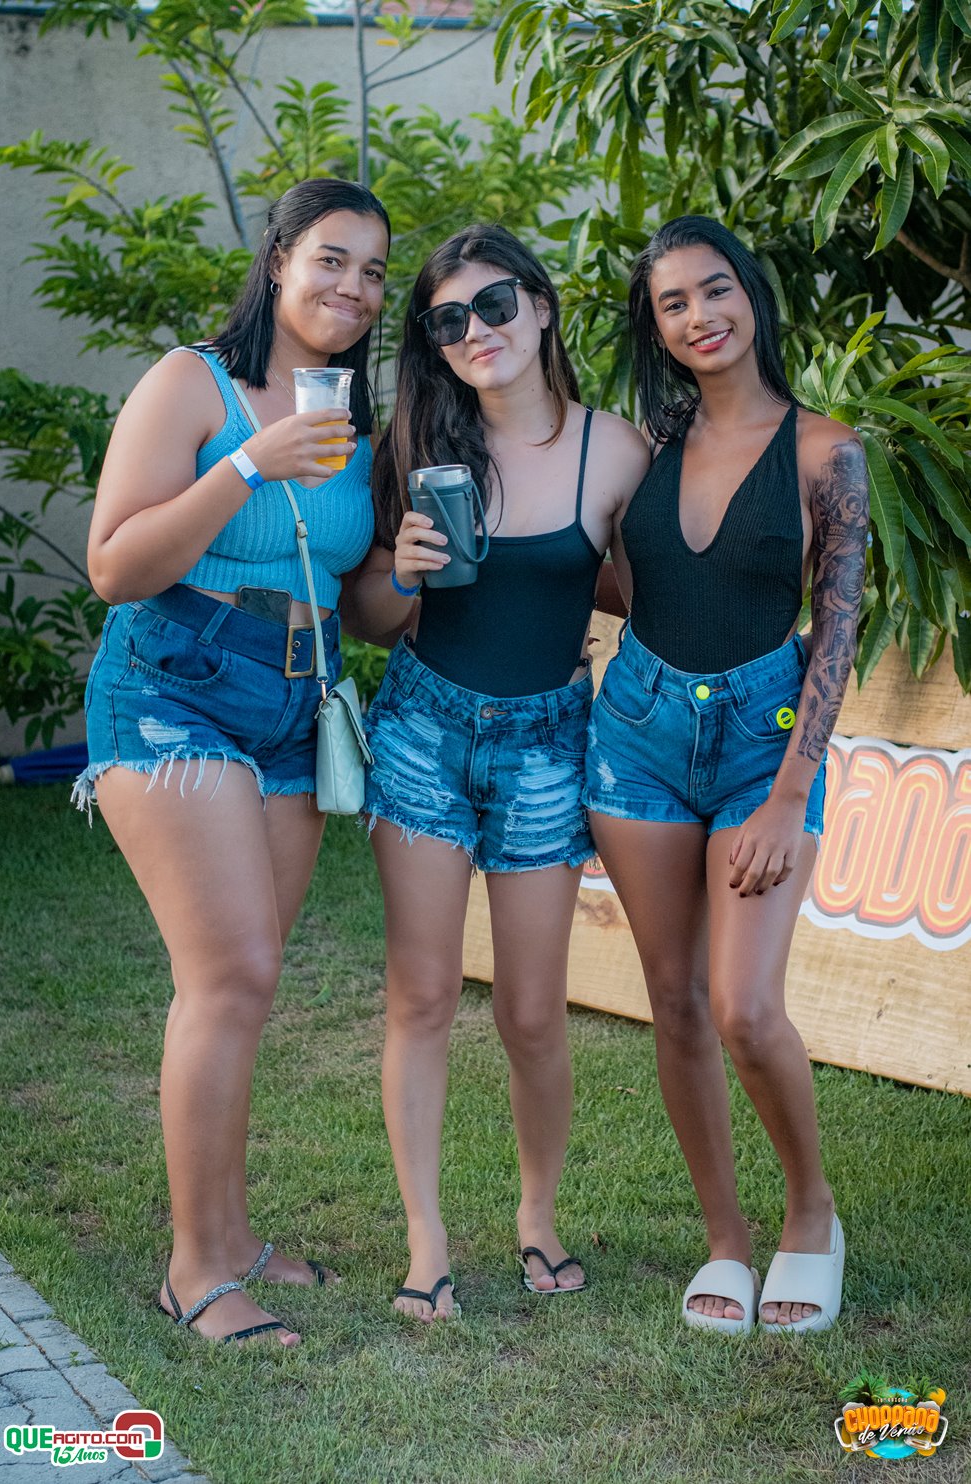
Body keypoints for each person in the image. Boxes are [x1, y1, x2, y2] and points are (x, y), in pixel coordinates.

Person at [72, 178, 391, 1346]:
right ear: (278, 259)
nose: (351, 287)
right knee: (230, 971)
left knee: (247, 985)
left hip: (300, 697)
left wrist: (405, 569)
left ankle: (234, 1232)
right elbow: (115, 566)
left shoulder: (352, 418)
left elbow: (357, 594)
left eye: (372, 271)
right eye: (330, 259)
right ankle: (196, 1268)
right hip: (176, 682)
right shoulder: (189, 382)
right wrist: (248, 464)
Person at [349, 224, 648, 1319]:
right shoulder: (417, 445)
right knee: (423, 994)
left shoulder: (616, 451)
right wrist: (403, 574)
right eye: (446, 320)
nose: (474, 331)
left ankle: (536, 1215)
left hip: (546, 746)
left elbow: (645, 595)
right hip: (424, 730)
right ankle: (425, 1235)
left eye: (493, 305)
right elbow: (367, 616)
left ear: (540, 304)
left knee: (529, 1010)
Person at [584, 216, 868, 1333]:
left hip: (763, 740)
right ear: (655, 328)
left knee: (744, 1008)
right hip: (639, 734)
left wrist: (789, 795)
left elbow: (836, 628)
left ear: (750, 295)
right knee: (673, 1001)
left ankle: (811, 1213)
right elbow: (628, 583)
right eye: (673, 303)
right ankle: (725, 1240)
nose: (699, 315)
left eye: (714, 290)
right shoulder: (642, 448)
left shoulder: (825, 452)